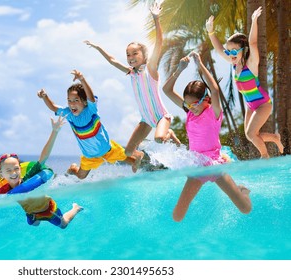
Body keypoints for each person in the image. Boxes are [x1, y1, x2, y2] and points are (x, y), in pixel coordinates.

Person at [84, 0, 180, 159]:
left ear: (144, 55)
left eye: (135, 53)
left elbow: (159, 43)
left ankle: (168, 132)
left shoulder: (151, 69)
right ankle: (140, 157)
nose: (130, 57)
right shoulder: (131, 74)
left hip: (161, 116)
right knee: (128, 152)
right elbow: (113, 60)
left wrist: (156, 19)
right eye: (128, 54)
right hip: (146, 119)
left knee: (159, 138)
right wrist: (97, 47)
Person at [162, 51, 252, 222]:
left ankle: (243, 190)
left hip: (216, 164)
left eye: (194, 103)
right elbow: (166, 90)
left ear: (206, 99)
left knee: (246, 209)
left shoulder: (214, 112)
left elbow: (216, 90)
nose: (191, 107)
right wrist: (179, 70)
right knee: (177, 215)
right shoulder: (190, 113)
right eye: (188, 104)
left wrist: (200, 64)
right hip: (198, 166)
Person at [206, 6, 283, 158]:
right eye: (229, 51)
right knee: (251, 135)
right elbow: (220, 49)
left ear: (243, 50)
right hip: (250, 105)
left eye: (234, 51)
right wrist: (210, 32)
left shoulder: (251, 64)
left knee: (250, 133)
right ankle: (274, 138)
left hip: (262, 104)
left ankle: (265, 157)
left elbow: (253, 43)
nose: (230, 54)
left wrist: (254, 21)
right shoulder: (234, 63)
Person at [37, 69, 142, 179]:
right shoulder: (69, 114)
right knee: (81, 176)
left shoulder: (90, 110)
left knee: (131, 161)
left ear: (84, 102)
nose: (72, 104)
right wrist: (45, 97)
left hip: (107, 149)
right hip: (90, 155)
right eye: (69, 100)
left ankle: (140, 156)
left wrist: (82, 79)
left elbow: (91, 97)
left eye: (76, 100)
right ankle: (73, 168)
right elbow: (53, 107)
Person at [0, 115, 83, 229]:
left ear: (20, 168)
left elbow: (43, 158)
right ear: (2, 174)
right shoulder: (3, 190)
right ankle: (69, 172)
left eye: (16, 168)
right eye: (8, 170)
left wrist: (54, 131)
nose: (13, 172)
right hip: (31, 214)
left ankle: (76, 208)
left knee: (63, 224)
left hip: (47, 209)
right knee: (34, 224)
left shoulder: (29, 178)